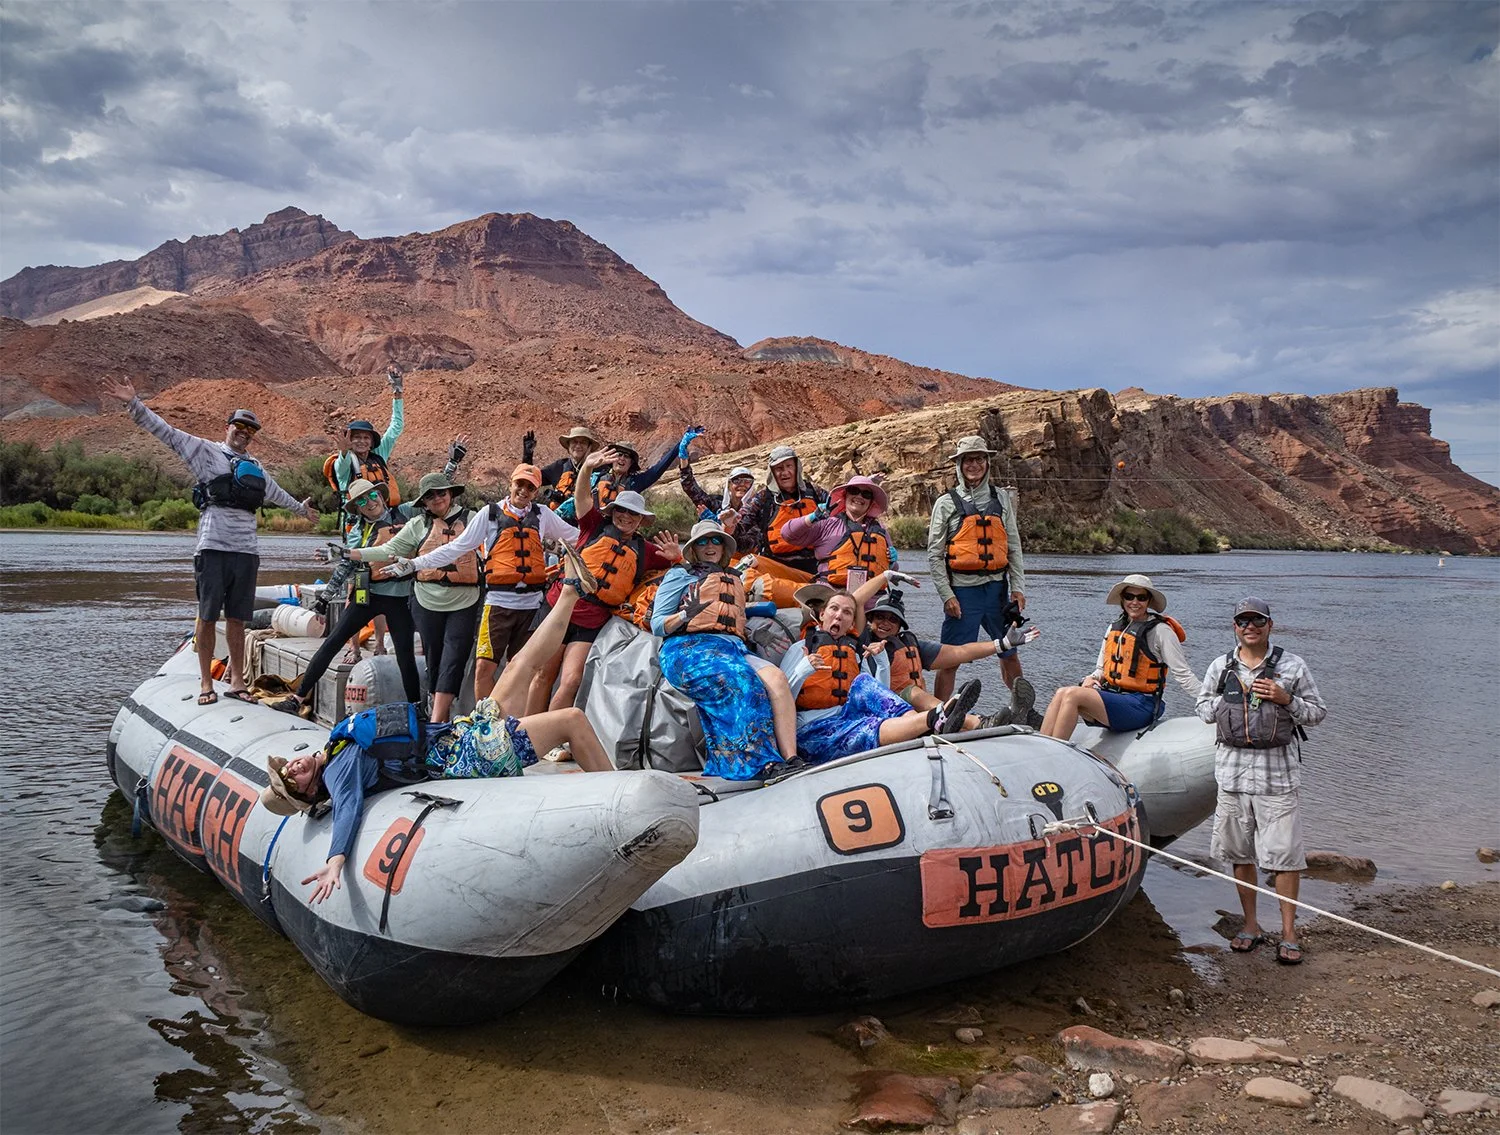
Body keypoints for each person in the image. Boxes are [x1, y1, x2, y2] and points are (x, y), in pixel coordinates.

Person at [262, 576, 616, 905]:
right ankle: (619, 798)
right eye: (291, 780)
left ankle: (570, 590)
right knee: (571, 719)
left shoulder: (335, 746)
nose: (292, 768)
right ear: (309, 792)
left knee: (519, 665)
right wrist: (335, 861)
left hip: (457, 735)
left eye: (285, 768)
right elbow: (348, 807)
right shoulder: (337, 770)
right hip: (470, 756)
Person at [98, 377, 318, 705]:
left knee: (238, 618)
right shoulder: (205, 451)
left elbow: (276, 493)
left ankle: (237, 682)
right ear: (227, 427)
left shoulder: (255, 467)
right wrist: (134, 403)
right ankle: (205, 683)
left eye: (250, 430)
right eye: (239, 426)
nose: (244, 432)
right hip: (213, 548)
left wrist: (301, 509)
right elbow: (166, 433)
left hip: (246, 551)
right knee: (207, 615)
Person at [1196, 596, 1327, 966]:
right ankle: (1251, 925)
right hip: (1232, 776)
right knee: (1239, 854)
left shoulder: (1292, 665)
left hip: (1277, 778)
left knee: (1285, 857)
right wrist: (1226, 701)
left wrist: (1287, 699)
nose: (1249, 627)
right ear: (1234, 627)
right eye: (1243, 621)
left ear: (1270, 625)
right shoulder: (1221, 666)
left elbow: (1317, 713)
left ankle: (1289, 932)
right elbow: (1202, 709)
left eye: (1257, 620)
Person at [389, 464, 580, 706]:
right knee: (483, 668)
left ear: (536, 491)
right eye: (520, 484)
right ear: (511, 483)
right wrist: (415, 564)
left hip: (531, 606)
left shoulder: (542, 515)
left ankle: (515, 722)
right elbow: (456, 548)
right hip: (498, 604)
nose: (523, 490)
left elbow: (576, 537)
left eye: (530, 487)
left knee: (521, 670)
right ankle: (484, 720)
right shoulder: (490, 514)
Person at [531, 452, 682, 712]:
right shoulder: (593, 526)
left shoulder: (646, 551)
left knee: (572, 680)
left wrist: (678, 557)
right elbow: (581, 498)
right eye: (621, 510)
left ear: (641, 519)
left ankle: (547, 730)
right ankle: (525, 729)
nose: (626, 516)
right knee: (543, 673)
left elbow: (685, 570)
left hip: (592, 621)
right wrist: (587, 468)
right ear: (613, 511)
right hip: (559, 608)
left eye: (633, 513)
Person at [650, 520, 798, 779]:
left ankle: (791, 758)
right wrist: (684, 614)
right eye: (702, 541)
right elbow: (657, 624)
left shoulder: (734, 579)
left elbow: (732, 618)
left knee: (777, 679)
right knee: (741, 679)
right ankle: (758, 763)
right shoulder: (679, 576)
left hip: (732, 648)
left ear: (724, 547)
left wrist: (753, 633)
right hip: (688, 648)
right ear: (693, 549)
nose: (710, 546)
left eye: (716, 540)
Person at [270, 480, 421, 715]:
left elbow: (432, 496)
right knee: (332, 643)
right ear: (357, 508)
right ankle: (297, 699)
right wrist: (324, 599)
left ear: (381, 496)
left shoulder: (405, 512)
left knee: (405, 655)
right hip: (368, 595)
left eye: (372, 496)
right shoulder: (358, 532)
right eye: (361, 501)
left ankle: (417, 709)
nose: (369, 503)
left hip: (401, 598)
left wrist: (451, 466)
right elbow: (345, 566)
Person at [780, 588, 983, 764]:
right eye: (834, 609)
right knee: (868, 727)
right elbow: (780, 700)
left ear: (851, 621)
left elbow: (878, 696)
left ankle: (954, 722)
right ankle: (935, 719)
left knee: (864, 681)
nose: (839, 615)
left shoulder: (854, 652)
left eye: (847, 612)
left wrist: (881, 662)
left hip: (847, 716)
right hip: (812, 730)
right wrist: (803, 670)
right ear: (822, 614)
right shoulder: (802, 649)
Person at [348, 472, 482, 723]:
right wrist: (349, 553)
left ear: (451, 494)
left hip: (465, 599)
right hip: (427, 599)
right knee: (434, 656)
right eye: (430, 496)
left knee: (455, 655)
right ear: (424, 502)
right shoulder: (418, 525)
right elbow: (387, 550)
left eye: (441, 493)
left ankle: (437, 720)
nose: (437, 499)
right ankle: (434, 706)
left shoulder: (474, 519)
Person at [926, 435, 1027, 704]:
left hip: (997, 592)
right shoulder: (945, 503)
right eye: (967, 460)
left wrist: (1018, 588)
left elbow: (1013, 546)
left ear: (987, 462)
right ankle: (938, 714)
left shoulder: (1002, 498)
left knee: (1009, 652)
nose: (974, 465)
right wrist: (947, 595)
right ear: (959, 464)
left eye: (979, 459)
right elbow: (934, 554)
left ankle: (1021, 708)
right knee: (950, 659)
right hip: (962, 594)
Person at [1039, 574, 1199, 739]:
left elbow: (1183, 674)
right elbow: (1101, 669)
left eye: (1141, 598)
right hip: (1113, 696)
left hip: (1143, 704)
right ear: (1122, 599)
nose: (1135, 602)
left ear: (1149, 601)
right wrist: (1091, 678)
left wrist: (1208, 698)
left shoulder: (1161, 631)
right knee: (1061, 693)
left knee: (1072, 695)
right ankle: (1042, 746)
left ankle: (1055, 748)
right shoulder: (1114, 628)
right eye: (1129, 596)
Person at [866, 590, 1037, 725]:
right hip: (886, 713)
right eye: (880, 617)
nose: (885, 623)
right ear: (870, 619)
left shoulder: (909, 643)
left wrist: (1004, 643)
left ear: (899, 626)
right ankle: (966, 718)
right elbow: (856, 603)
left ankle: (982, 719)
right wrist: (885, 576)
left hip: (915, 712)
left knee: (920, 695)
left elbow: (960, 652)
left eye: (893, 619)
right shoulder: (862, 644)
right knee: (911, 692)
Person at [778, 474, 895, 590]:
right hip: (829, 592)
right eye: (854, 491)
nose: (859, 496)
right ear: (845, 495)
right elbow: (787, 534)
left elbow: (892, 570)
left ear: (871, 502)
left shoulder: (880, 530)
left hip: (870, 595)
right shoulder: (827, 524)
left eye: (866, 494)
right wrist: (813, 517)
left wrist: (892, 562)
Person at [733, 445, 829, 578]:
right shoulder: (763, 498)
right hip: (776, 566)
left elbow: (839, 514)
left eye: (789, 466)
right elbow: (740, 527)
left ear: (796, 467)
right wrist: (730, 524)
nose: (785, 473)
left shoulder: (814, 492)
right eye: (779, 468)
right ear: (772, 472)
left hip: (816, 564)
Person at [325, 367, 406, 515]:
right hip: (356, 522)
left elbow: (396, 426)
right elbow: (341, 465)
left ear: (372, 442)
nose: (361, 441)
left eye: (366, 437)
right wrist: (344, 451)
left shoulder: (379, 455)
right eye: (356, 437)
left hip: (384, 517)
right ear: (349, 440)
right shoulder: (344, 462)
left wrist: (397, 392)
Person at [678, 429, 755, 523]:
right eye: (737, 480)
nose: (742, 484)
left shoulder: (756, 510)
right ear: (729, 485)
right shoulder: (716, 505)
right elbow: (689, 487)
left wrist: (717, 522)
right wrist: (683, 457)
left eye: (747, 481)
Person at [535, 425, 601, 512]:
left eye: (583, 442)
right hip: (557, 518)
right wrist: (527, 456)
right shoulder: (559, 466)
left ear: (589, 447)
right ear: (568, 447)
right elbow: (532, 478)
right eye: (574, 442)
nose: (578, 446)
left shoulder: (599, 469)